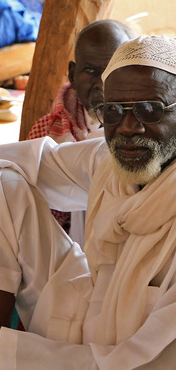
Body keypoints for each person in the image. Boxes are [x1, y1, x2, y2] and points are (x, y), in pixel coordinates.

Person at [0, 35, 176, 369]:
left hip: (125, 359)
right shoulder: (108, 161)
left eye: (149, 109)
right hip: (83, 315)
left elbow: (139, 363)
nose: (127, 127)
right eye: (112, 111)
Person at [26, 19, 136, 245]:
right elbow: (32, 213)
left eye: (112, 70)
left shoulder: (147, 129)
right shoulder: (46, 134)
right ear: (72, 75)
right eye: (90, 70)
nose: (102, 83)